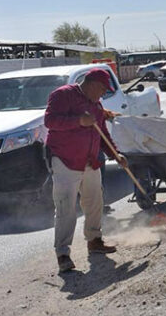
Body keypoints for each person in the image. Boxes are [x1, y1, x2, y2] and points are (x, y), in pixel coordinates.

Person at [44, 68, 128, 272]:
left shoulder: (96, 106)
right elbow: (50, 122)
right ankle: (63, 254)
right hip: (65, 160)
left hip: (90, 161)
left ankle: (94, 240)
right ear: (90, 84)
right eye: (101, 89)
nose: (102, 94)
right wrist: (79, 121)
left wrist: (116, 154)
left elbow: (103, 135)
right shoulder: (63, 95)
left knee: (95, 202)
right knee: (65, 208)